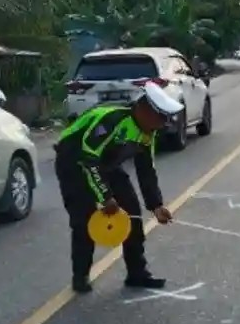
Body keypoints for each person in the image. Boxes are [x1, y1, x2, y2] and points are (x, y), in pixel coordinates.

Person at [54, 82, 181, 294]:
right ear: (144, 110)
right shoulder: (112, 120)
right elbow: (88, 159)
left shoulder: (147, 132)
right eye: (161, 117)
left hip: (106, 164)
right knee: (85, 220)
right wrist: (105, 196)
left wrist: (156, 205)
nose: (163, 124)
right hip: (74, 163)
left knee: (132, 213)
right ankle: (80, 275)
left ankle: (137, 273)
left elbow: (146, 169)